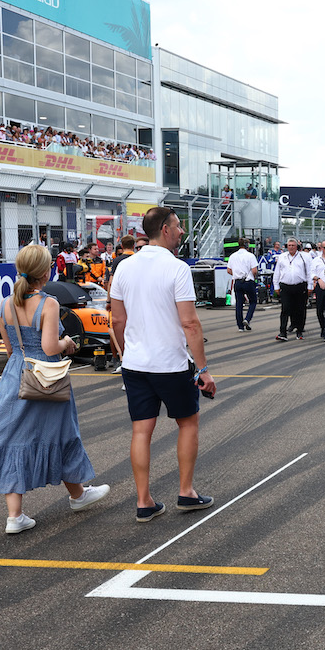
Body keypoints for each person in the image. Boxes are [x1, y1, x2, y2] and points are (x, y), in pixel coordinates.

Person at [0, 244, 109, 533]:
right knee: (61, 433)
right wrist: (68, 343)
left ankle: (15, 516)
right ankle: (78, 494)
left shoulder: (7, 303)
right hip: (47, 376)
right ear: (46, 272)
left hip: (16, 375)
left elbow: (10, 349)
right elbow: (49, 346)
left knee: (11, 439)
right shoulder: (49, 304)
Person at [109, 206, 217, 522]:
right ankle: (187, 492)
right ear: (166, 230)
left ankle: (144, 501)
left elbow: (117, 318)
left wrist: (128, 352)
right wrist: (203, 369)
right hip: (170, 363)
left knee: (141, 430)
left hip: (136, 364)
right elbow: (191, 323)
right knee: (188, 423)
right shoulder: (177, 268)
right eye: (179, 226)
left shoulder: (124, 268)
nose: (182, 231)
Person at [272, 238, 310, 340]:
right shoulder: (282, 257)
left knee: (300, 310)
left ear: (297, 246)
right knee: (285, 309)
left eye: (293, 245)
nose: (291, 247)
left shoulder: (303, 257)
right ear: (286, 246)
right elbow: (277, 272)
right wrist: (276, 286)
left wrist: (310, 286)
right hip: (285, 286)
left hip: (300, 286)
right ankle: (282, 332)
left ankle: (299, 331)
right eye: (289, 245)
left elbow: (309, 272)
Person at [226, 237, 258, 331]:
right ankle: (247, 319)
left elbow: (228, 270)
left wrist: (236, 274)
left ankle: (240, 326)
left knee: (239, 304)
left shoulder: (232, 256)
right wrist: (253, 277)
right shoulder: (250, 256)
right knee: (253, 301)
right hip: (248, 281)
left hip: (238, 281)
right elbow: (254, 270)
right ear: (247, 246)